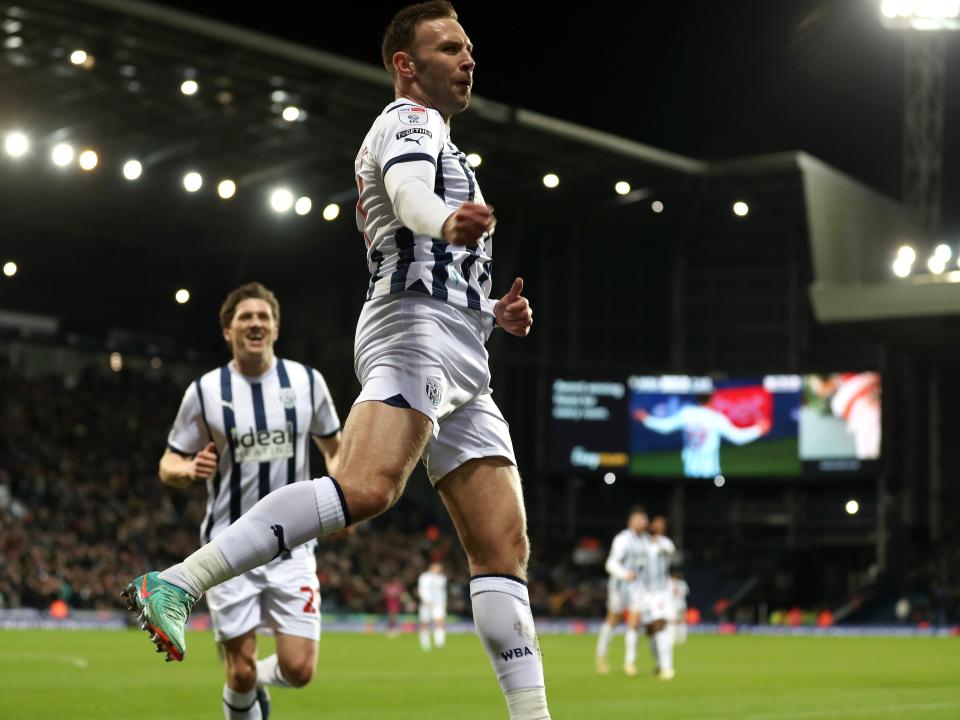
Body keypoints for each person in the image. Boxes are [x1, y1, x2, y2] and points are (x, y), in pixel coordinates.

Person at [122, 3, 549, 718]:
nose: (469, 59)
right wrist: (443, 220)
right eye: (450, 48)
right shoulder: (409, 121)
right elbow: (410, 196)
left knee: (505, 547)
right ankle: (179, 581)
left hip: (461, 350)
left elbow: (435, 242)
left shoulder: (444, 143)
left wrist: (491, 314)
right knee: (368, 486)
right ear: (406, 66)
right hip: (413, 327)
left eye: (470, 47)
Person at [155, 281, 342, 720]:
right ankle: (243, 690)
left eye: (263, 317)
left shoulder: (307, 382)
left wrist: (342, 491)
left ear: (276, 328)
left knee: (299, 669)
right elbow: (168, 462)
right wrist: (188, 470)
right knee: (238, 673)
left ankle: (253, 684)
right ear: (227, 331)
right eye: (245, 317)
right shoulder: (205, 391)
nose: (255, 323)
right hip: (228, 547)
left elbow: (335, 448)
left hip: (294, 547)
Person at [633, 394, 770, 478]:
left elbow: (665, 427)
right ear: (713, 398)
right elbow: (737, 437)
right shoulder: (716, 418)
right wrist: (758, 429)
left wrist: (646, 419)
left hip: (689, 474)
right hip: (711, 476)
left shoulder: (687, 413)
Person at [596, 507, 647, 677]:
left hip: (636, 587)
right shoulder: (623, 539)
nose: (641, 522)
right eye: (637, 519)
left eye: (643, 519)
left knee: (634, 623)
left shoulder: (645, 541)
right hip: (619, 586)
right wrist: (625, 574)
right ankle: (601, 655)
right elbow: (610, 564)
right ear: (630, 522)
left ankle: (629, 663)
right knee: (613, 621)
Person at [639, 516, 677, 680]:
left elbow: (670, 552)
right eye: (656, 522)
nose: (657, 525)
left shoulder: (665, 543)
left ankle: (667, 667)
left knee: (660, 625)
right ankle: (659, 664)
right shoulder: (642, 543)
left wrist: (657, 542)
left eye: (661, 524)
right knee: (650, 630)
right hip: (644, 592)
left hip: (660, 592)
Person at [417, 561, 448, 650]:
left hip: (438, 604)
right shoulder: (424, 577)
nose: (439, 568)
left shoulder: (442, 578)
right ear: (432, 566)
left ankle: (439, 643)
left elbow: (443, 592)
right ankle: (425, 644)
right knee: (424, 623)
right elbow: (422, 590)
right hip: (426, 604)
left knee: (439, 622)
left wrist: (444, 604)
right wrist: (427, 601)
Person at [668, 568, 690, 644]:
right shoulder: (683, 583)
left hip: (674, 605)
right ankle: (682, 638)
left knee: (673, 622)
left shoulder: (670, 583)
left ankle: (674, 638)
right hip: (681, 604)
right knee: (681, 622)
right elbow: (687, 592)